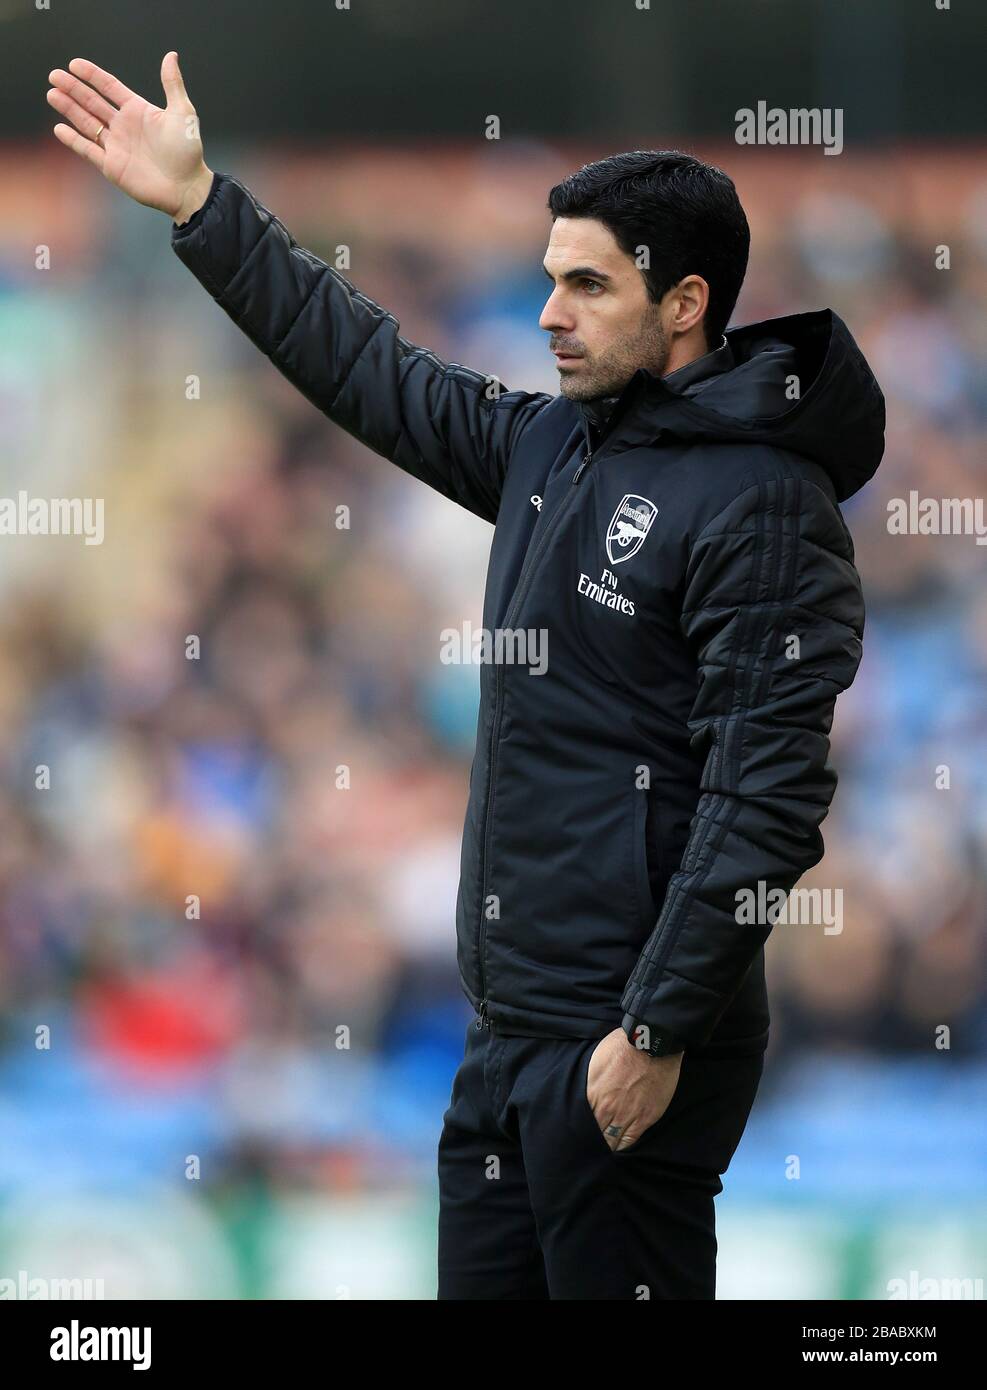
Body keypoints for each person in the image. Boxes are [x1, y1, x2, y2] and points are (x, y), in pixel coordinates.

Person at [47, 52, 885, 1300]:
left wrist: (654, 1028)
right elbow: (372, 370)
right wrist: (201, 209)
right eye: (549, 280)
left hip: (627, 1050)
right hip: (506, 1038)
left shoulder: (765, 505)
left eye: (587, 287)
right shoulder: (557, 441)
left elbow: (763, 800)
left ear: (687, 302)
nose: (548, 313)